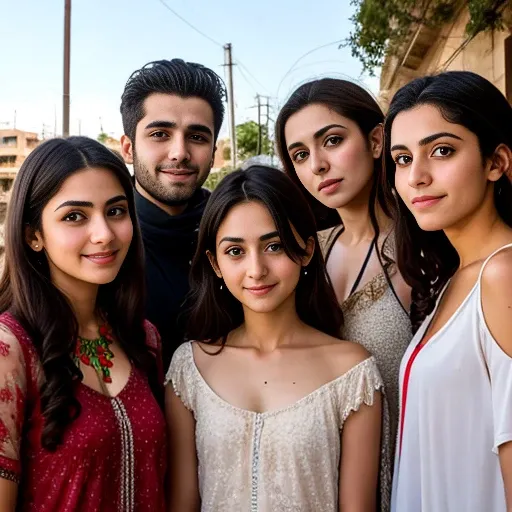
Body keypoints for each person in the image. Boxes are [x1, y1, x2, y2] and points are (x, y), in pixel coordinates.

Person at [165, 166, 387, 511]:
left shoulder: (352, 373)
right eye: (235, 252)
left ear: (308, 249)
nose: (256, 270)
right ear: (215, 263)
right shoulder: (189, 368)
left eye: (274, 246)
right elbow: (183, 502)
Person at [0, 137, 166, 511]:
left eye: (116, 211)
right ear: (33, 235)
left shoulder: (144, 338)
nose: (104, 233)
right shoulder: (10, 348)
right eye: (74, 216)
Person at [383, 71, 512, 512]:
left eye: (441, 151)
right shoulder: (455, 277)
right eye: (401, 159)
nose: (416, 176)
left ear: (496, 162)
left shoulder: (504, 274)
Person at [275, 78, 412, 463]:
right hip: (322, 474)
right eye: (300, 155)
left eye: (332, 140)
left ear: (375, 141)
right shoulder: (303, 254)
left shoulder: (421, 246)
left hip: (413, 473)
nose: (318, 164)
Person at [120, 58, 226, 367]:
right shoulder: (99, 244)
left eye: (197, 137)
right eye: (160, 134)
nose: (179, 152)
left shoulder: (237, 238)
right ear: (128, 148)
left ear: (213, 153)